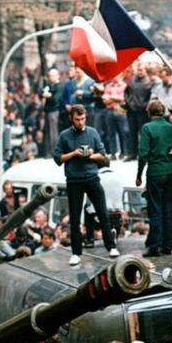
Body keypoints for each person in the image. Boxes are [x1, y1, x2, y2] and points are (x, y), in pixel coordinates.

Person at [53, 105, 119, 266]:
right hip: (74, 180)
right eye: (77, 119)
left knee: (103, 213)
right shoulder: (64, 135)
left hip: (92, 177)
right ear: (71, 118)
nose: (80, 122)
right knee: (75, 219)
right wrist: (74, 154)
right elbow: (57, 158)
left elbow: (103, 157)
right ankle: (76, 252)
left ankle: (111, 246)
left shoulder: (93, 132)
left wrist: (91, 155)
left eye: (83, 119)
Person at [136, 99, 172, 257]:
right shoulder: (171, 128)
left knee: (155, 209)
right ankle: (168, 244)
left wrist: (139, 175)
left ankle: (155, 245)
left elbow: (143, 153)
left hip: (155, 172)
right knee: (168, 207)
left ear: (149, 112)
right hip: (171, 171)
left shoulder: (147, 128)